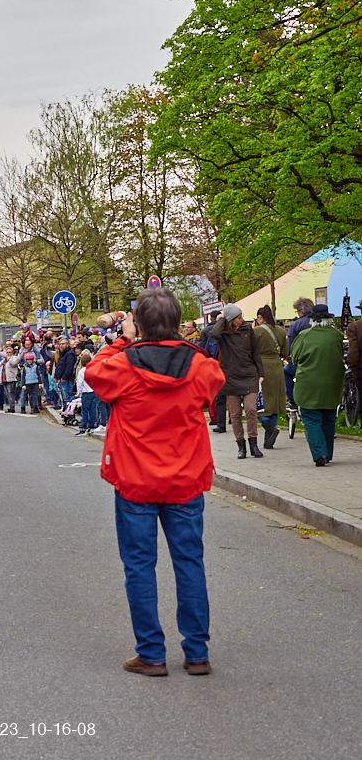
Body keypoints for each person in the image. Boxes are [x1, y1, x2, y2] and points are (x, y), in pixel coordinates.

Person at [85, 287, 225, 678]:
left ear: (140, 323)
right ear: (178, 323)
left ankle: (151, 653)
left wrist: (122, 339)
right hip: (185, 478)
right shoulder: (199, 365)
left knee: (140, 566)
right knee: (190, 563)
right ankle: (197, 653)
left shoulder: (122, 363)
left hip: (135, 479)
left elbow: (93, 372)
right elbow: (214, 381)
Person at [206, 304, 264, 459]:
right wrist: (222, 319)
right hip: (230, 377)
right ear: (231, 320)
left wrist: (261, 373)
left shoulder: (247, 329)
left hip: (248, 374)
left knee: (251, 409)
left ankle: (253, 443)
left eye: (241, 316)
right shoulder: (223, 333)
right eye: (238, 318)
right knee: (236, 414)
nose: (242, 320)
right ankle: (241, 445)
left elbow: (255, 351)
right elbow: (213, 334)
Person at [291, 304, 346, 466]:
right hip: (332, 383)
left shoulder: (304, 335)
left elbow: (295, 358)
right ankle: (327, 453)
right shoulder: (336, 335)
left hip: (308, 384)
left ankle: (319, 453)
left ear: (312, 319)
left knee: (311, 418)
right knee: (329, 417)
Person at [252, 306, 287, 449]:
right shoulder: (280, 330)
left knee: (259, 403)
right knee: (273, 403)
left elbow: (250, 350)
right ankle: (268, 440)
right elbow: (285, 352)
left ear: (260, 317)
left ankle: (269, 428)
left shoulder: (256, 331)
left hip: (261, 367)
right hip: (277, 367)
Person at [284, 297, 315, 405]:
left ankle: (292, 401)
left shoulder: (296, 325)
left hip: (302, 364)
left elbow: (290, 346)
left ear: (300, 311)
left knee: (285, 371)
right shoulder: (318, 322)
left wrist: (288, 355)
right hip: (318, 363)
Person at [74, 350, 98, 436]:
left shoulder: (81, 372)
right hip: (94, 392)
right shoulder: (94, 370)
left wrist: (79, 393)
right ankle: (92, 426)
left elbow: (79, 383)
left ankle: (83, 427)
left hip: (86, 392)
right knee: (93, 410)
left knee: (85, 411)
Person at [54, 336, 77, 410]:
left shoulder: (69, 354)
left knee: (67, 396)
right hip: (62, 378)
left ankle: (69, 410)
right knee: (63, 395)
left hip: (67, 379)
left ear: (67, 345)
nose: (61, 345)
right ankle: (65, 409)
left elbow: (69, 367)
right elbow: (60, 366)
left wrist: (64, 377)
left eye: (63, 344)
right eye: (60, 344)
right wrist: (56, 376)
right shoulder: (63, 353)